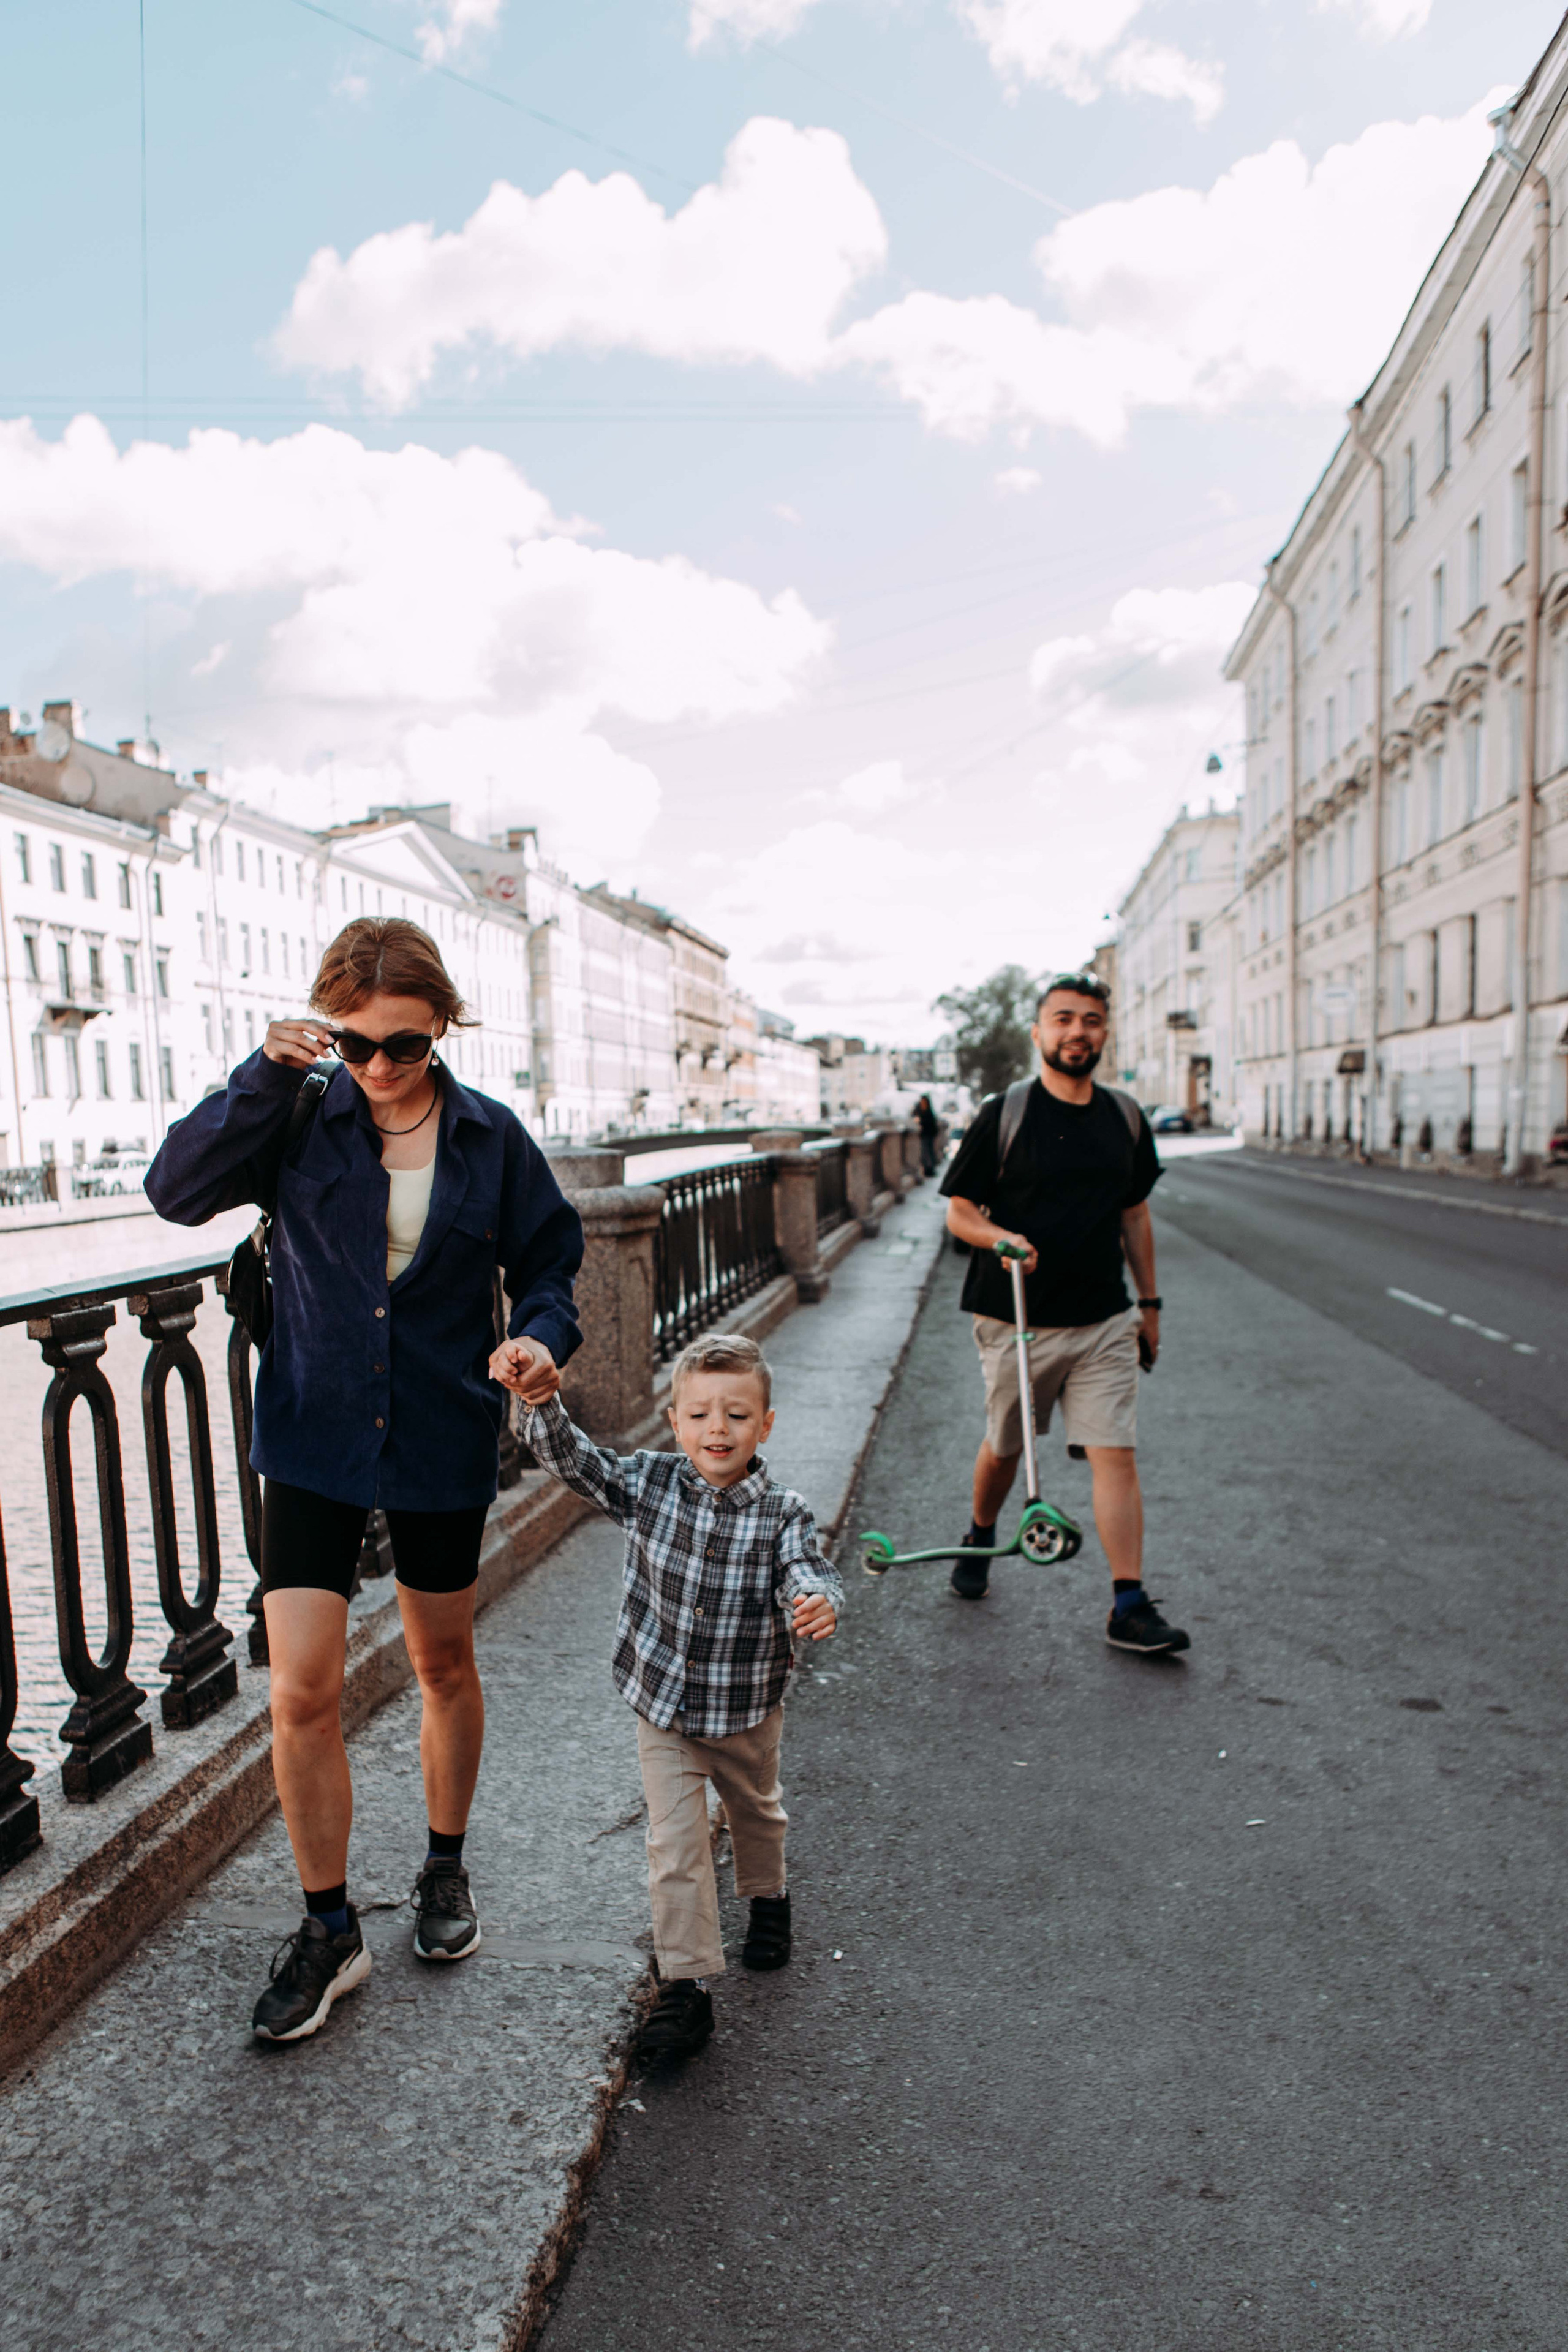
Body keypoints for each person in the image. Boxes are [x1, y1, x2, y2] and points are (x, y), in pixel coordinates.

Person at [146, 918, 582, 2041]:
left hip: (440, 1427)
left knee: (442, 1661)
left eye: (404, 1044)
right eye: (354, 1043)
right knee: (301, 1691)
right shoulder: (297, 1114)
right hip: (314, 1433)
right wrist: (263, 1074)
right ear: (326, 1031)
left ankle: (444, 1868)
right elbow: (174, 1190)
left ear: (442, 1023)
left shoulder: (490, 1139)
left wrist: (539, 1336)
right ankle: (329, 1929)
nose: (380, 1068)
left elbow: (550, 1263)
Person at [494, 1330, 842, 2060]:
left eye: (738, 1416)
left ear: (766, 1425)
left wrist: (814, 1602)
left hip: (745, 1707)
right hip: (663, 1707)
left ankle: (767, 1896)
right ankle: (686, 1990)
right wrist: (541, 1401)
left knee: (757, 1812)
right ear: (675, 1420)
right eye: (701, 1415)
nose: (719, 1429)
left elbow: (806, 1570)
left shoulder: (783, 1512)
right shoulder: (649, 1482)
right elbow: (575, 1463)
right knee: (675, 1845)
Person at [938, 971, 1189, 1656]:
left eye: (1091, 1021)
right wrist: (1002, 1240)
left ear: (1105, 1032)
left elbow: (1134, 1215)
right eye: (1063, 1019)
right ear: (1039, 1032)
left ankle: (1128, 1605)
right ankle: (981, 1532)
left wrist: (1150, 1303)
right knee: (1006, 1445)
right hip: (1015, 1317)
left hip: (1104, 1319)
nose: (1078, 1032)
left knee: (1116, 1454)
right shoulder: (1006, 1112)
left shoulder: (1125, 1118)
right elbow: (959, 1211)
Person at [914, 1093, 940, 1176]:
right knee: (926, 1152)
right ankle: (928, 1169)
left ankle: (930, 1169)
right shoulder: (921, 1108)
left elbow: (930, 1123)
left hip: (929, 1134)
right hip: (926, 1134)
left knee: (928, 1152)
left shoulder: (928, 1111)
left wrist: (920, 1121)